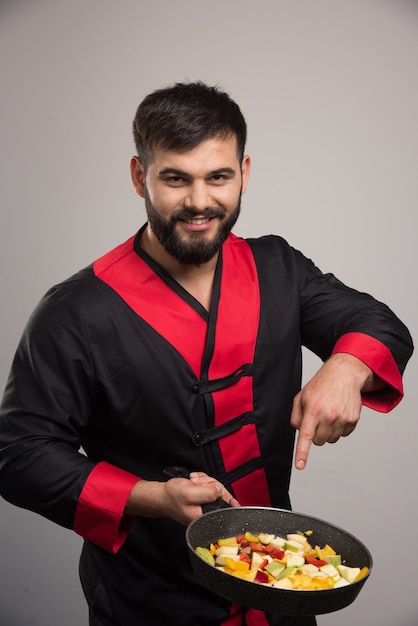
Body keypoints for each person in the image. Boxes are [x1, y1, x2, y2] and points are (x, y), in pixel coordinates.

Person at [0, 81, 413, 626]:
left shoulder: (278, 268)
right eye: (175, 178)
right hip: (147, 601)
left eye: (218, 177)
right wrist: (150, 497)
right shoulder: (76, 310)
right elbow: (19, 455)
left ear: (244, 172)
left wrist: (345, 366)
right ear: (138, 176)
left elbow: (377, 322)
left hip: (281, 585)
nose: (199, 202)